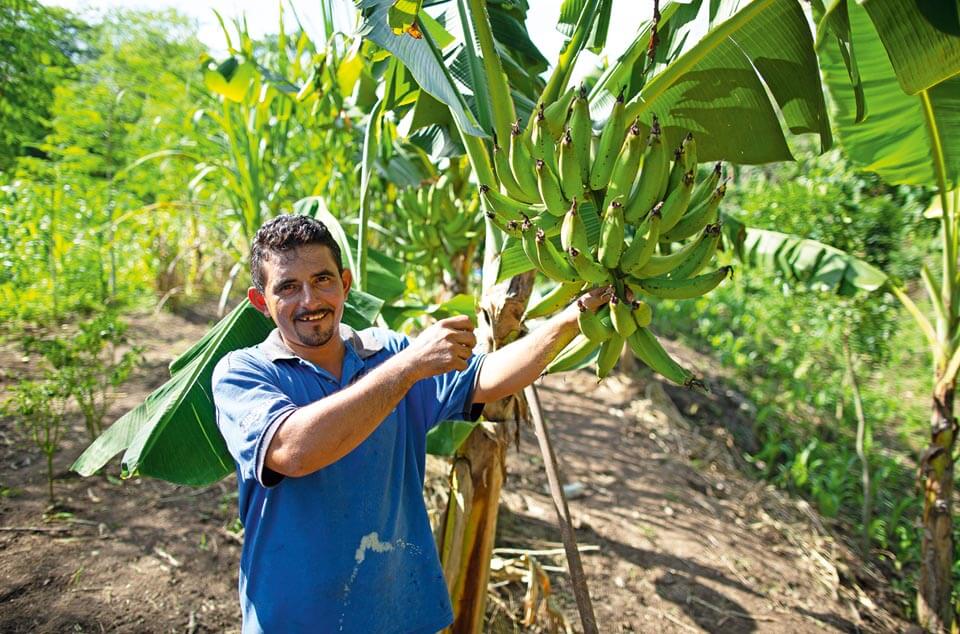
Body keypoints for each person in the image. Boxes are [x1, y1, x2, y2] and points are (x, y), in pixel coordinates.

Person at [212, 213, 607, 633]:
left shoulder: (389, 353)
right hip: (296, 620)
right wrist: (407, 367)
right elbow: (292, 450)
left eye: (322, 280)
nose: (310, 301)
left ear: (345, 283)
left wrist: (569, 320)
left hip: (398, 613)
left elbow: (484, 378)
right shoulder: (243, 372)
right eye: (288, 287)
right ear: (261, 301)